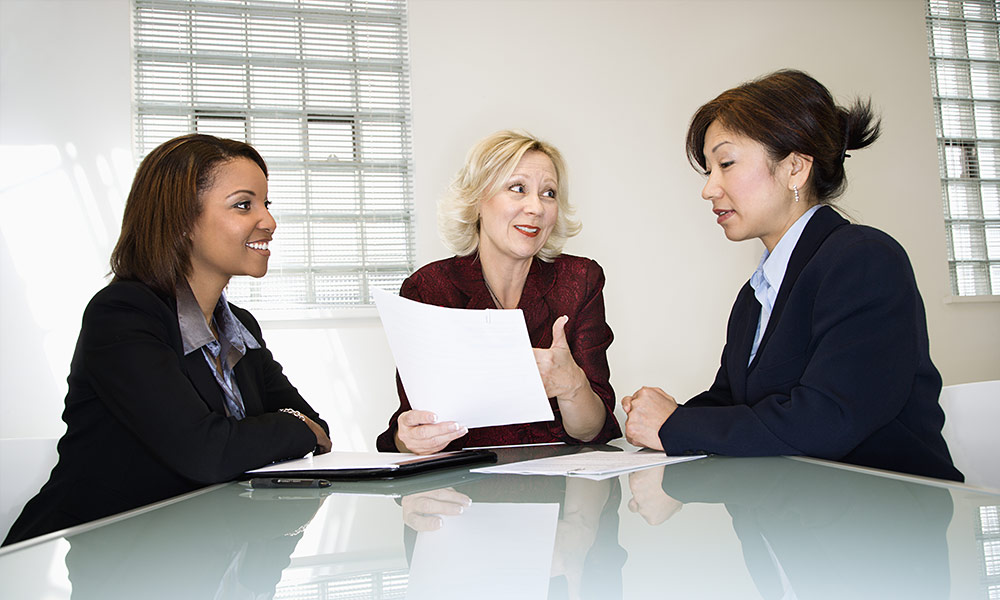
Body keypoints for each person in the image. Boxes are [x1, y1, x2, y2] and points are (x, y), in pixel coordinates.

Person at [621, 70, 962, 482]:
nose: (709, 189)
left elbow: (826, 420)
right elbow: (732, 401)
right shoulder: (758, 292)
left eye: (726, 164)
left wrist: (674, 426)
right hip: (793, 513)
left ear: (796, 168)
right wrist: (661, 418)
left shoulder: (864, 260)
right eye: (708, 170)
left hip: (883, 522)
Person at [3, 134, 331, 546]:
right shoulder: (123, 314)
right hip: (101, 555)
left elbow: (316, 429)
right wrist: (286, 427)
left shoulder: (239, 326)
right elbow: (206, 454)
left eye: (267, 204)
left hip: (206, 551)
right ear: (181, 219)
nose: (268, 221)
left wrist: (283, 428)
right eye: (244, 204)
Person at [376, 130, 621, 454]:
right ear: (477, 199)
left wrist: (572, 384)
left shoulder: (579, 280)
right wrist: (408, 438)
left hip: (562, 490)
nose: (536, 207)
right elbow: (412, 428)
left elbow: (592, 431)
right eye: (518, 188)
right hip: (464, 493)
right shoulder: (429, 290)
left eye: (548, 193)